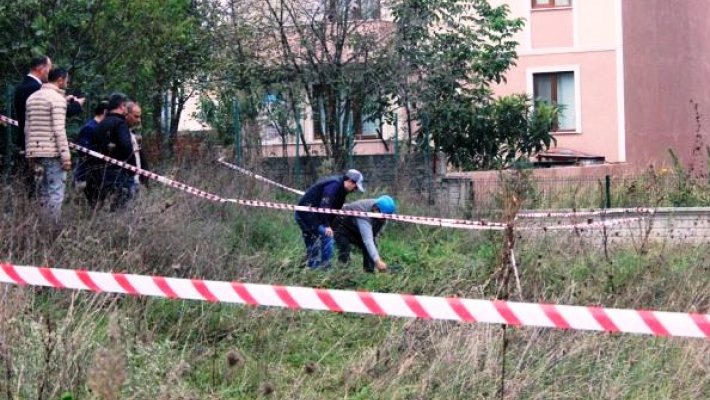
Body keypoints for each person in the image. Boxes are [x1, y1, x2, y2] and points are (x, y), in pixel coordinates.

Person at [23, 67, 72, 222]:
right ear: (60, 80)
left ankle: (40, 226)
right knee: (56, 192)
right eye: (67, 80)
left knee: (43, 193)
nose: (67, 83)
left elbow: (27, 128)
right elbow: (59, 129)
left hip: (35, 153)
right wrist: (66, 156)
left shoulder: (32, 98)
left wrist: (29, 152)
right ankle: (52, 229)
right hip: (52, 153)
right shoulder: (57, 100)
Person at [295, 169, 365, 270]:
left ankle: (311, 266)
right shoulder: (334, 184)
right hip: (305, 214)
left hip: (314, 215)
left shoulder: (342, 190)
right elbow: (325, 205)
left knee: (316, 238)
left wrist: (330, 225)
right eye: (355, 187)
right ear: (350, 181)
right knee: (326, 236)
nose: (355, 190)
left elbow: (334, 211)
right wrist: (327, 226)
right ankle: (324, 266)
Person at [86, 93, 134, 210]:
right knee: (120, 207)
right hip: (117, 171)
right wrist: (131, 166)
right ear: (122, 106)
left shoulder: (101, 124)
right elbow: (126, 146)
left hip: (98, 171)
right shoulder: (120, 123)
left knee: (102, 207)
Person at [333, 195, 396, 273]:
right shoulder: (363, 213)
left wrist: (375, 255)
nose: (384, 219)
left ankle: (369, 274)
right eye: (383, 216)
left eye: (386, 217)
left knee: (369, 249)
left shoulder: (382, 212)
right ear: (376, 209)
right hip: (342, 225)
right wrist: (377, 261)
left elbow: (374, 236)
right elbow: (368, 241)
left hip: (355, 227)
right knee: (344, 248)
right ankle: (342, 273)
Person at [73, 100, 109, 186]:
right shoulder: (89, 128)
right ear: (105, 112)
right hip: (84, 175)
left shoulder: (100, 127)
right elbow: (84, 152)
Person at [125, 101, 150, 193]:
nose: (139, 120)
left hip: (137, 179)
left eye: (140, 117)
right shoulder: (122, 133)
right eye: (136, 116)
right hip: (128, 180)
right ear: (126, 114)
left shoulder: (133, 133)